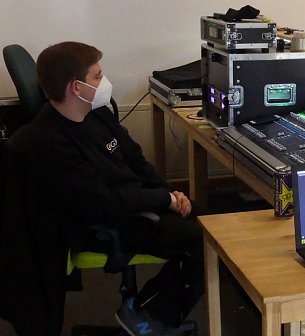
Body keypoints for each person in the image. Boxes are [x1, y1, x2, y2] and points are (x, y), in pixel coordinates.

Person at [9, 41, 203, 335]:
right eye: (97, 76)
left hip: (139, 201)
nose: (104, 81)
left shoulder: (96, 113)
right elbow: (103, 204)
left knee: (217, 221)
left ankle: (152, 309)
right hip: (107, 223)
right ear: (76, 87)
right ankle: (149, 314)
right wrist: (162, 199)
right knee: (208, 240)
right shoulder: (46, 141)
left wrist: (170, 193)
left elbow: (136, 159)